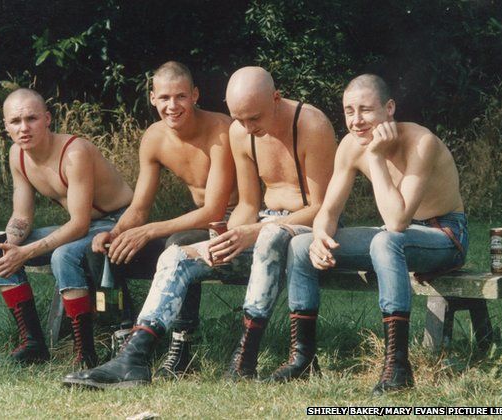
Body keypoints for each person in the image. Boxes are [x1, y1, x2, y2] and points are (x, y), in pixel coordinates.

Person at [63, 66, 337, 388]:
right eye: (239, 119)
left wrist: (254, 231)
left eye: (254, 119)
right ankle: (133, 357)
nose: (247, 128)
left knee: (270, 235)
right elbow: (249, 205)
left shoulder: (312, 124)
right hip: (263, 220)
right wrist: (228, 235)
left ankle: (243, 360)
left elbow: (323, 208)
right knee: (176, 255)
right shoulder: (239, 131)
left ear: (276, 98)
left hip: (307, 226)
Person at [282, 74, 468, 393]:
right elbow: (328, 211)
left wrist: (377, 156)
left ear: (389, 108)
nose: (356, 121)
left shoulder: (421, 142)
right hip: (396, 237)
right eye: (349, 111)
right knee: (299, 245)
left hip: (444, 234)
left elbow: (396, 221)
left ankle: (397, 367)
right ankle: (302, 359)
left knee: (386, 239)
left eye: (365, 110)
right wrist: (320, 238)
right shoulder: (350, 146)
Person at [65, 61, 236, 382]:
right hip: (200, 221)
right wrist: (116, 232)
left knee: (178, 243)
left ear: (195, 95)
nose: (173, 106)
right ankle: (125, 344)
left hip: (232, 223)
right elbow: (140, 208)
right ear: (153, 98)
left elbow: (214, 210)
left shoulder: (221, 131)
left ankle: (182, 348)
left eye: (181, 96)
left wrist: (151, 230)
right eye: (165, 98)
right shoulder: (154, 138)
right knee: (100, 248)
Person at [0, 88, 134, 369]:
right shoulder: (17, 154)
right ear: (5, 126)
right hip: (85, 225)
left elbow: (78, 224)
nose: (24, 128)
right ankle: (33, 343)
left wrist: (25, 252)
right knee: (0, 251)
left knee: (63, 255)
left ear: (48, 119)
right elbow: (21, 216)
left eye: (32, 118)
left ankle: (86, 351)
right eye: (15, 122)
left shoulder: (74, 152)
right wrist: (9, 244)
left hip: (119, 223)